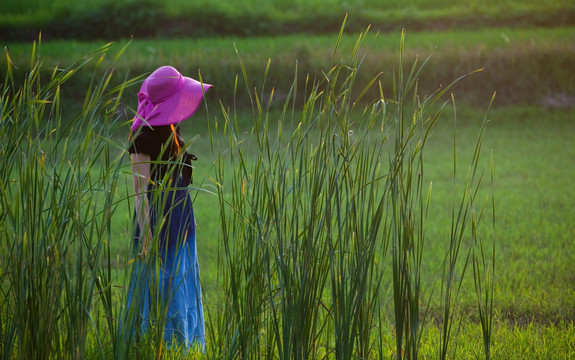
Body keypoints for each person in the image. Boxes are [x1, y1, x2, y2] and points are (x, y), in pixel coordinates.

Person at [126, 65, 212, 351]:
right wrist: (148, 236)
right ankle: (157, 344)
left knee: (183, 273)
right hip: (156, 217)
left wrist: (190, 219)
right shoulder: (142, 138)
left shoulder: (170, 126)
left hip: (180, 213)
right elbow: (140, 192)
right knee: (160, 278)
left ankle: (183, 342)